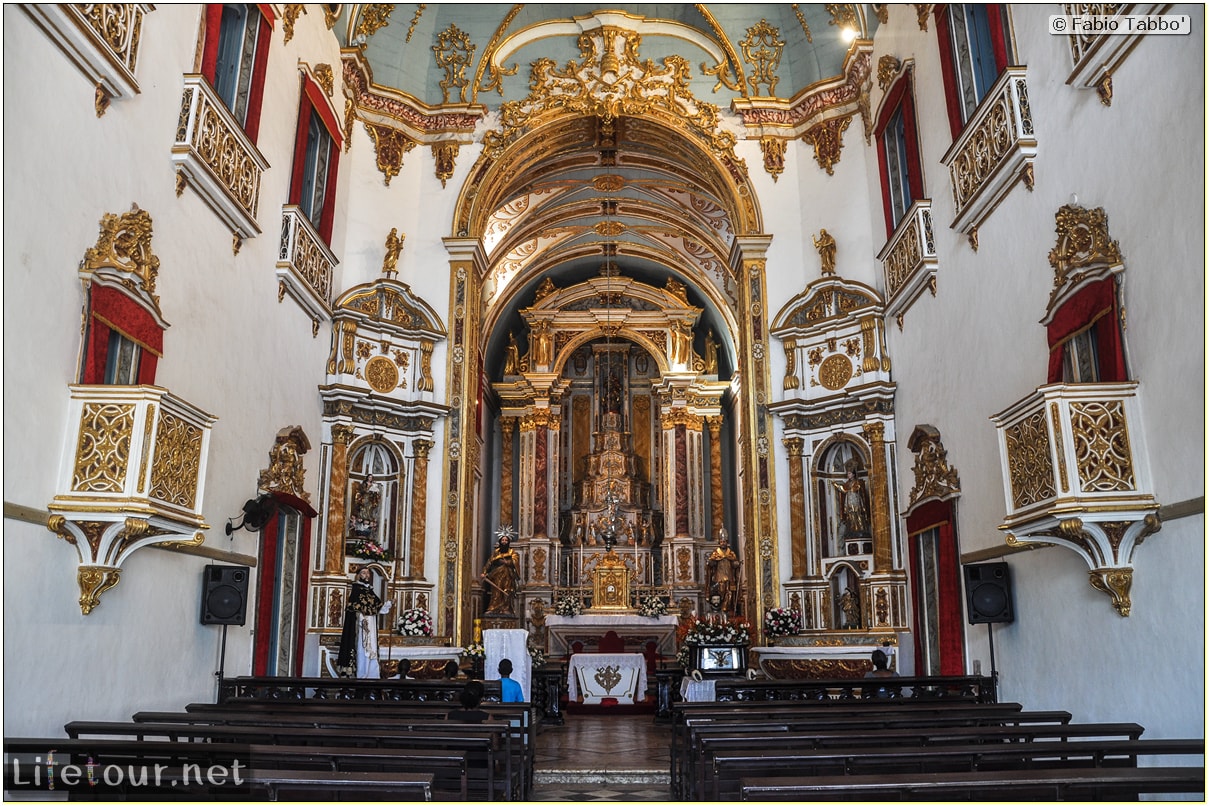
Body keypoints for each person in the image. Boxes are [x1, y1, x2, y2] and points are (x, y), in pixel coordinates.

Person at [335, 566, 392, 678]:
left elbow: (378, 608)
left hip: (371, 624)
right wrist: (361, 619)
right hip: (362, 625)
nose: (366, 575)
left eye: (367, 573)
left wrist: (389, 603)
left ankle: (372, 674)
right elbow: (353, 608)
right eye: (363, 573)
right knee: (363, 649)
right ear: (359, 575)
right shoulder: (356, 590)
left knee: (372, 648)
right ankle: (362, 674)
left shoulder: (370, 591)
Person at [481, 532, 520, 615]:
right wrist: (484, 572)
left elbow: (515, 561)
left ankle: (506, 608)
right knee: (496, 592)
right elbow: (489, 562)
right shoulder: (496, 552)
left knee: (507, 591)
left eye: (506, 540)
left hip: (508, 576)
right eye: (503, 540)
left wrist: (507, 562)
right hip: (496, 576)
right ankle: (493, 608)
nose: (504, 541)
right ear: (500, 541)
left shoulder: (512, 551)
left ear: (508, 542)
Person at [705, 530, 739, 615]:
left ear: (726, 542)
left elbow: (734, 564)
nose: (722, 543)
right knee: (720, 595)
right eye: (721, 541)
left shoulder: (731, 553)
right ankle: (720, 610)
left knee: (730, 595)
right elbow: (712, 564)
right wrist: (710, 563)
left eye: (724, 541)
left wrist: (736, 564)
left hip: (730, 578)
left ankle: (728, 611)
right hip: (719, 578)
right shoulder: (716, 553)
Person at [832, 467, 870, 538]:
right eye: (847, 474)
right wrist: (836, 485)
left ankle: (860, 529)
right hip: (849, 500)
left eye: (849, 473)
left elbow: (856, 489)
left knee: (857, 514)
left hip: (855, 500)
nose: (848, 475)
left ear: (853, 474)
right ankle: (853, 529)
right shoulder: (847, 483)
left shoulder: (857, 482)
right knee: (851, 515)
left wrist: (851, 489)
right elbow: (843, 489)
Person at [348, 474, 382, 542]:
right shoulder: (364, 484)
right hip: (364, 498)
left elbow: (376, 494)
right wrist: (367, 490)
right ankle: (362, 518)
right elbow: (361, 491)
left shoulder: (373, 484)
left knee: (369, 509)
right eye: (369, 477)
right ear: (367, 478)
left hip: (370, 500)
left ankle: (367, 518)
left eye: (371, 477)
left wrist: (374, 489)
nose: (370, 478)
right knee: (362, 509)